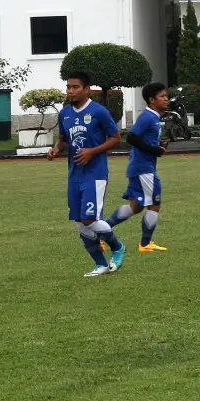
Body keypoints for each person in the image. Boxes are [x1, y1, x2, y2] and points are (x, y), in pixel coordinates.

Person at [48, 70, 126, 277]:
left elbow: (115, 138)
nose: (70, 91)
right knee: (80, 223)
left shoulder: (99, 112)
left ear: (87, 90)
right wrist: (56, 149)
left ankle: (117, 247)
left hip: (96, 173)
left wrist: (92, 151)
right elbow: (63, 138)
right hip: (74, 174)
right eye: (68, 87)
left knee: (89, 219)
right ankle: (100, 264)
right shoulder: (64, 113)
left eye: (75, 87)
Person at [106, 82, 168, 253]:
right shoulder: (148, 116)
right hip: (144, 169)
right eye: (162, 96)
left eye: (166, 96)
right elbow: (132, 138)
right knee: (154, 205)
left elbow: (143, 140)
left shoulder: (154, 116)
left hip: (139, 167)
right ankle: (145, 244)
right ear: (151, 99)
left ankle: (102, 232)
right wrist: (154, 149)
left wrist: (157, 145)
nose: (166, 99)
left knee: (136, 206)